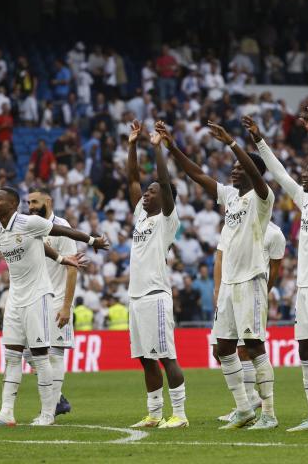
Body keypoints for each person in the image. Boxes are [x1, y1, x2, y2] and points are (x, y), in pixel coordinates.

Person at [164, 118, 278, 430]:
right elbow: (198, 175)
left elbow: (256, 173)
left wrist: (232, 143)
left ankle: (268, 413)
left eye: (239, 168)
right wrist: (173, 147)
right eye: (234, 167)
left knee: (254, 346)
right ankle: (244, 408)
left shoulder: (262, 198)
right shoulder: (230, 196)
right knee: (222, 348)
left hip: (251, 279)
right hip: (228, 283)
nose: (234, 170)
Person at [243, 108, 308, 433]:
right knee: (306, 349)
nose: (304, 173)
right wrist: (260, 141)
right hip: (305, 288)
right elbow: (278, 174)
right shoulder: (306, 202)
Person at [0, 187, 107, 427]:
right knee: (12, 356)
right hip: (15, 298)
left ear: (12, 204)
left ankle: (48, 414)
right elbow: (38, 245)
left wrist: (92, 241)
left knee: (42, 357)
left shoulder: (29, 222)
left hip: (38, 295)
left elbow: (63, 231)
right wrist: (61, 259)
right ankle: (6, 412)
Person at [124, 120, 188, 429]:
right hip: (136, 298)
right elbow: (133, 178)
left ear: (164, 198)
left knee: (166, 357)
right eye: (146, 193)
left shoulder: (167, 220)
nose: (146, 195)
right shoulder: (141, 216)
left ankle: (179, 414)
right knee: (145, 359)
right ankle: (153, 413)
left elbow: (163, 182)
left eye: (152, 192)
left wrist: (158, 148)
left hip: (155, 296)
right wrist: (132, 144)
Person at [212, 219, 285, 424]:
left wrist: (263, 293)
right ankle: (248, 402)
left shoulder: (275, 234)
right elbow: (220, 258)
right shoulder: (232, 224)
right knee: (219, 349)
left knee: (247, 349)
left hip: (250, 293)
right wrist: (217, 289)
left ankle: (256, 408)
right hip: (227, 291)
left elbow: (275, 268)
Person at [27, 190, 79, 417]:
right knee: (28, 353)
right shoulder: (29, 226)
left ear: (48, 202)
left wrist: (66, 305)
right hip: (35, 299)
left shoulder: (62, 226)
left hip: (57, 299)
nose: (30, 206)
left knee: (55, 354)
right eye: (28, 202)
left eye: (35, 202)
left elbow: (72, 267)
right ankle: (57, 399)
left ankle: (49, 409)